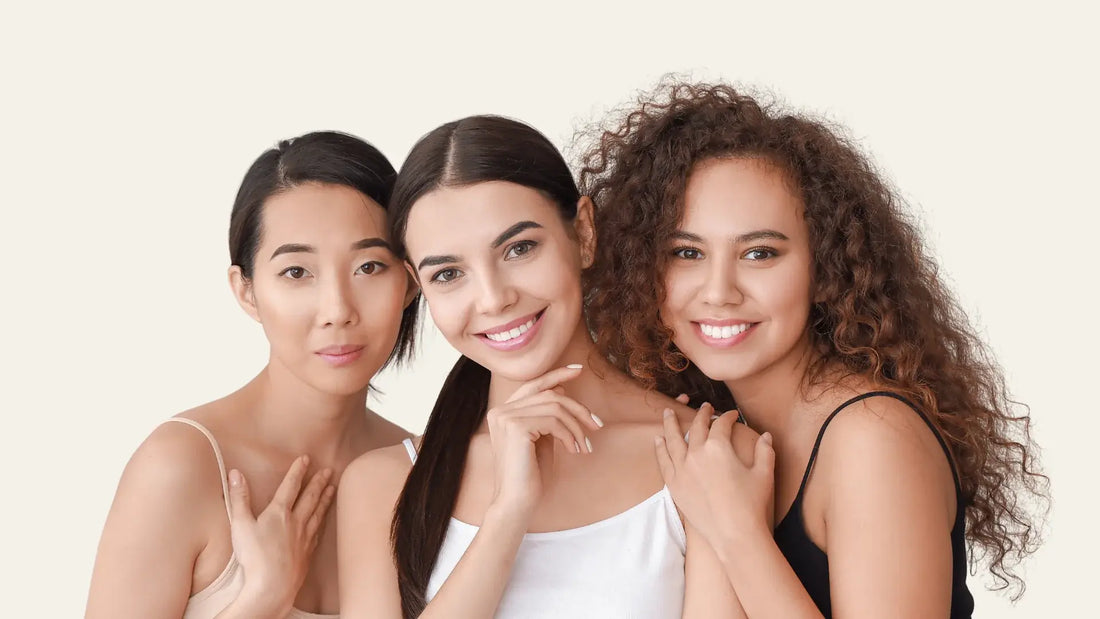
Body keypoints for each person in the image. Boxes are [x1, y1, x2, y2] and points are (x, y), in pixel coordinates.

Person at [580, 81, 1047, 618]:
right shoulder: (705, 423)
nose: (718, 291)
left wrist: (736, 533)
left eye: (759, 253)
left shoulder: (872, 438)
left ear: (824, 269)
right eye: (686, 252)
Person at [338, 115, 756, 619]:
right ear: (417, 286)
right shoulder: (383, 485)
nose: (493, 299)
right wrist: (507, 515)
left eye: (519, 248)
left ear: (582, 232)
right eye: (449, 274)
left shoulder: (709, 456)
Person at [86, 131, 418, 618]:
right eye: (296, 272)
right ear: (246, 291)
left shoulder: (422, 471)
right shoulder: (182, 467)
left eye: (369, 266)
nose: (337, 310)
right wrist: (263, 598)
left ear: (410, 282)